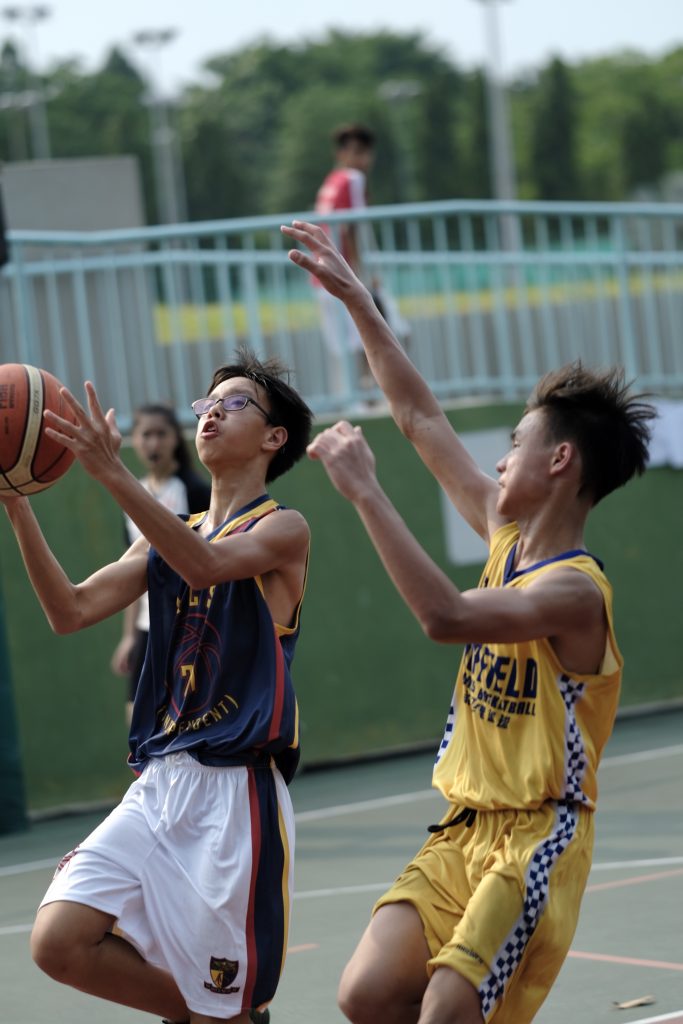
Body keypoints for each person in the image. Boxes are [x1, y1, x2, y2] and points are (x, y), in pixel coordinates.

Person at [281, 220, 655, 1024]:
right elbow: (419, 417)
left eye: (514, 444)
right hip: (459, 829)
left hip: (534, 839)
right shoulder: (504, 533)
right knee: (363, 994)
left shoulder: (575, 593)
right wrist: (358, 301)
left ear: (559, 461)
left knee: (446, 1012)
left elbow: (445, 616)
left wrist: (366, 492)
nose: (498, 460)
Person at [1, 348, 313, 1024]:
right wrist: (16, 503)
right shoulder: (169, 538)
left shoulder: (283, 529)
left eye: (234, 404)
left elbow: (204, 566)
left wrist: (110, 471)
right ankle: (210, 1013)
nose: (211, 414)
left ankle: (222, 1014)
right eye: (206, 404)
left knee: (225, 1006)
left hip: (234, 791)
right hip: (159, 781)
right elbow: (70, 609)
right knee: (58, 942)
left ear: (273, 437)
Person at [111, 403, 211, 726]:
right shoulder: (133, 495)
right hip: (148, 623)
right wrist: (129, 636)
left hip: (190, 621)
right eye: (146, 434)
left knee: (191, 715)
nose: (153, 442)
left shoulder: (195, 491)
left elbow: (214, 560)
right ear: (135, 440)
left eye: (161, 434)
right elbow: (132, 570)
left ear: (175, 439)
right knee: (135, 716)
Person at [313, 122, 377, 402]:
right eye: (356, 151)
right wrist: (363, 273)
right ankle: (368, 396)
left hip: (322, 271)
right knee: (372, 336)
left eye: (365, 152)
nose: (362, 158)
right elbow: (353, 228)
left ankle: (357, 397)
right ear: (342, 153)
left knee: (346, 343)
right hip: (343, 271)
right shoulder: (353, 179)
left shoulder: (331, 180)